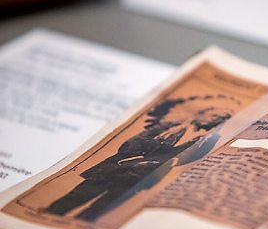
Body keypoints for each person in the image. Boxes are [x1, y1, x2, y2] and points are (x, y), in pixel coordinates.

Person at [44, 94, 237, 222]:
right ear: (203, 113)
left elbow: (194, 157)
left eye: (221, 118)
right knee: (77, 196)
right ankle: (49, 216)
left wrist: (161, 162)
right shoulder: (167, 126)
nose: (215, 119)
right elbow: (129, 144)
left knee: (103, 207)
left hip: (143, 175)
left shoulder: (209, 139)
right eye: (214, 114)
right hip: (116, 167)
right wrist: (139, 156)